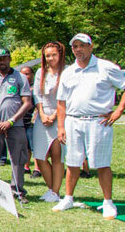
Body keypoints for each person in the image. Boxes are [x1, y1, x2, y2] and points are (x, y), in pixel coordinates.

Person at [52, 34, 125, 220]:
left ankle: (108, 202)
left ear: (91, 47)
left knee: (101, 163)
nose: (78, 49)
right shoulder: (68, 72)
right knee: (73, 162)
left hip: (98, 122)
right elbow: (61, 102)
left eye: (82, 46)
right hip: (73, 121)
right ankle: (68, 198)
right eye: (75, 46)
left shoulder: (105, 67)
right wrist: (61, 127)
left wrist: (118, 112)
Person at [0, 48, 32, 204]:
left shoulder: (20, 77)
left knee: (17, 159)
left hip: (15, 125)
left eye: (4, 58)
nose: (2, 61)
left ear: (9, 59)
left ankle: (18, 191)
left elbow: (27, 103)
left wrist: (11, 121)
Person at [32, 41, 66, 203]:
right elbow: (37, 95)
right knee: (40, 155)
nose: (50, 58)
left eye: (53, 55)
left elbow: (66, 98)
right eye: (47, 55)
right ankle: (52, 189)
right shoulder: (40, 72)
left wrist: (54, 116)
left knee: (57, 155)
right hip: (42, 115)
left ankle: (56, 191)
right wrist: (42, 113)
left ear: (60, 55)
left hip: (60, 115)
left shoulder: (66, 72)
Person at [20, 66, 40, 176]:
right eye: (23, 74)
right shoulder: (21, 87)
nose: (25, 76)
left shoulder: (35, 87)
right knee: (25, 146)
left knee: (34, 146)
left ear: (32, 74)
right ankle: (26, 166)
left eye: (27, 74)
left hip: (33, 121)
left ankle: (37, 169)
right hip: (22, 120)